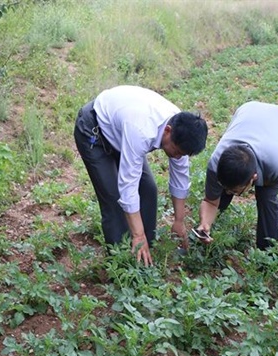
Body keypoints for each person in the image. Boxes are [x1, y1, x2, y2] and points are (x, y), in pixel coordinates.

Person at [74, 85, 208, 266]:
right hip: (94, 130)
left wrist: (179, 220)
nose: (177, 157)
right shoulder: (141, 131)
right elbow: (128, 187)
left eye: (182, 154)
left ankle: (146, 253)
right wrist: (138, 234)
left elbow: (180, 177)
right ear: (167, 131)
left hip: (122, 131)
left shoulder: (182, 133)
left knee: (148, 189)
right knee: (114, 198)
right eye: (176, 151)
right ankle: (121, 264)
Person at [196, 101, 278, 250]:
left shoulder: (277, 165)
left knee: (266, 197)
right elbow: (210, 201)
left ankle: (267, 252)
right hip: (249, 111)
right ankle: (210, 223)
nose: (231, 193)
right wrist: (205, 222)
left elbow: (268, 183)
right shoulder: (216, 163)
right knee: (220, 192)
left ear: (253, 178)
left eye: (236, 191)